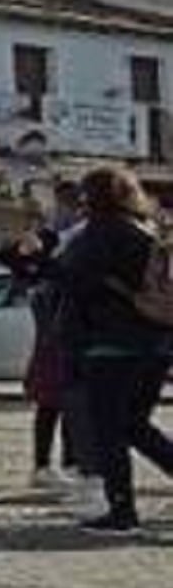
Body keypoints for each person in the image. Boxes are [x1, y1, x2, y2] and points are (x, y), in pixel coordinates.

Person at [55, 166, 173, 536]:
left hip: (109, 344)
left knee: (108, 429)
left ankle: (121, 512)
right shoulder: (148, 231)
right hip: (155, 342)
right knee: (135, 423)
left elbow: (70, 280)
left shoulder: (96, 235)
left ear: (91, 198)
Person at [2, 222, 84, 492]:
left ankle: (68, 462)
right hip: (53, 341)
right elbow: (8, 255)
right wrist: (30, 246)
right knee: (52, 405)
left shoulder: (52, 268)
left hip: (58, 340)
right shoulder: (47, 269)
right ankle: (46, 466)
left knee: (67, 405)